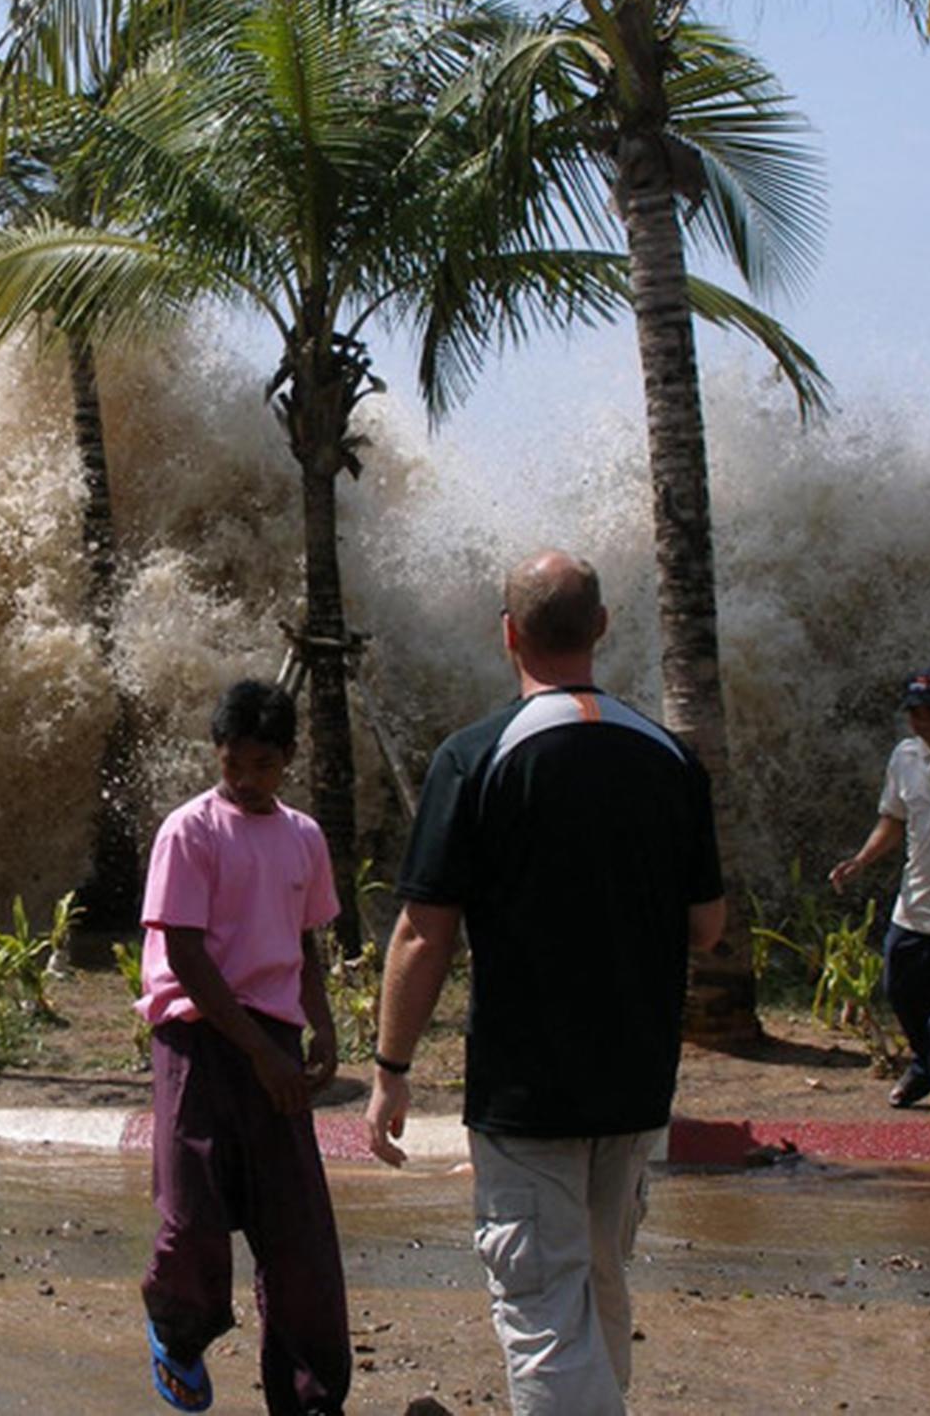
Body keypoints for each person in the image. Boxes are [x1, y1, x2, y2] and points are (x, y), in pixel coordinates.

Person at [364, 550, 726, 1416]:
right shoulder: (669, 759)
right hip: (635, 1085)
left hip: (528, 1089)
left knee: (540, 1304)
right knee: (600, 1284)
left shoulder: (476, 757)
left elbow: (423, 933)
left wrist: (390, 1068)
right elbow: (708, 926)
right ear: (602, 628)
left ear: (508, 635)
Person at [135, 678, 350, 1415]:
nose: (247, 779)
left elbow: (305, 941)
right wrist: (260, 1053)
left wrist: (318, 1025)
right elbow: (187, 955)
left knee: (297, 1233)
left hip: (276, 1038)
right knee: (192, 1213)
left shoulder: (303, 836)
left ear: (288, 759)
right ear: (217, 754)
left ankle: (310, 1394)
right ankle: (178, 1328)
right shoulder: (188, 832)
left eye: (263, 765)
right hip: (199, 1037)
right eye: (234, 764)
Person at [829, 666, 930, 1134]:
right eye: (914, 713)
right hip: (914, 906)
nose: (922, 722)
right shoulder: (904, 756)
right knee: (900, 991)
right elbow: (892, 819)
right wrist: (861, 860)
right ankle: (927, 1068)